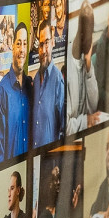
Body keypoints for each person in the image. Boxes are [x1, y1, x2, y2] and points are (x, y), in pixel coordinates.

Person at [0, 23, 31, 164]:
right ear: (12, 46)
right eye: (18, 43)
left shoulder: (31, 89)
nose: (22, 49)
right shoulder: (1, 92)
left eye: (25, 44)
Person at [31, 18, 65, 148]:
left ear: (53, 43)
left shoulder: (57, 80)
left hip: (48, 160)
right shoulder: (35, 81)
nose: (44, 50)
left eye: (46, 43)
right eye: (40, 44)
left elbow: (63, 129)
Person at [66, 0, 99, 133]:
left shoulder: (86, 61)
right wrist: (85, 121)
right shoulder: (67, 67)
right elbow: (66, 127)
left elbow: (93, 106)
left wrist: (89, 65)